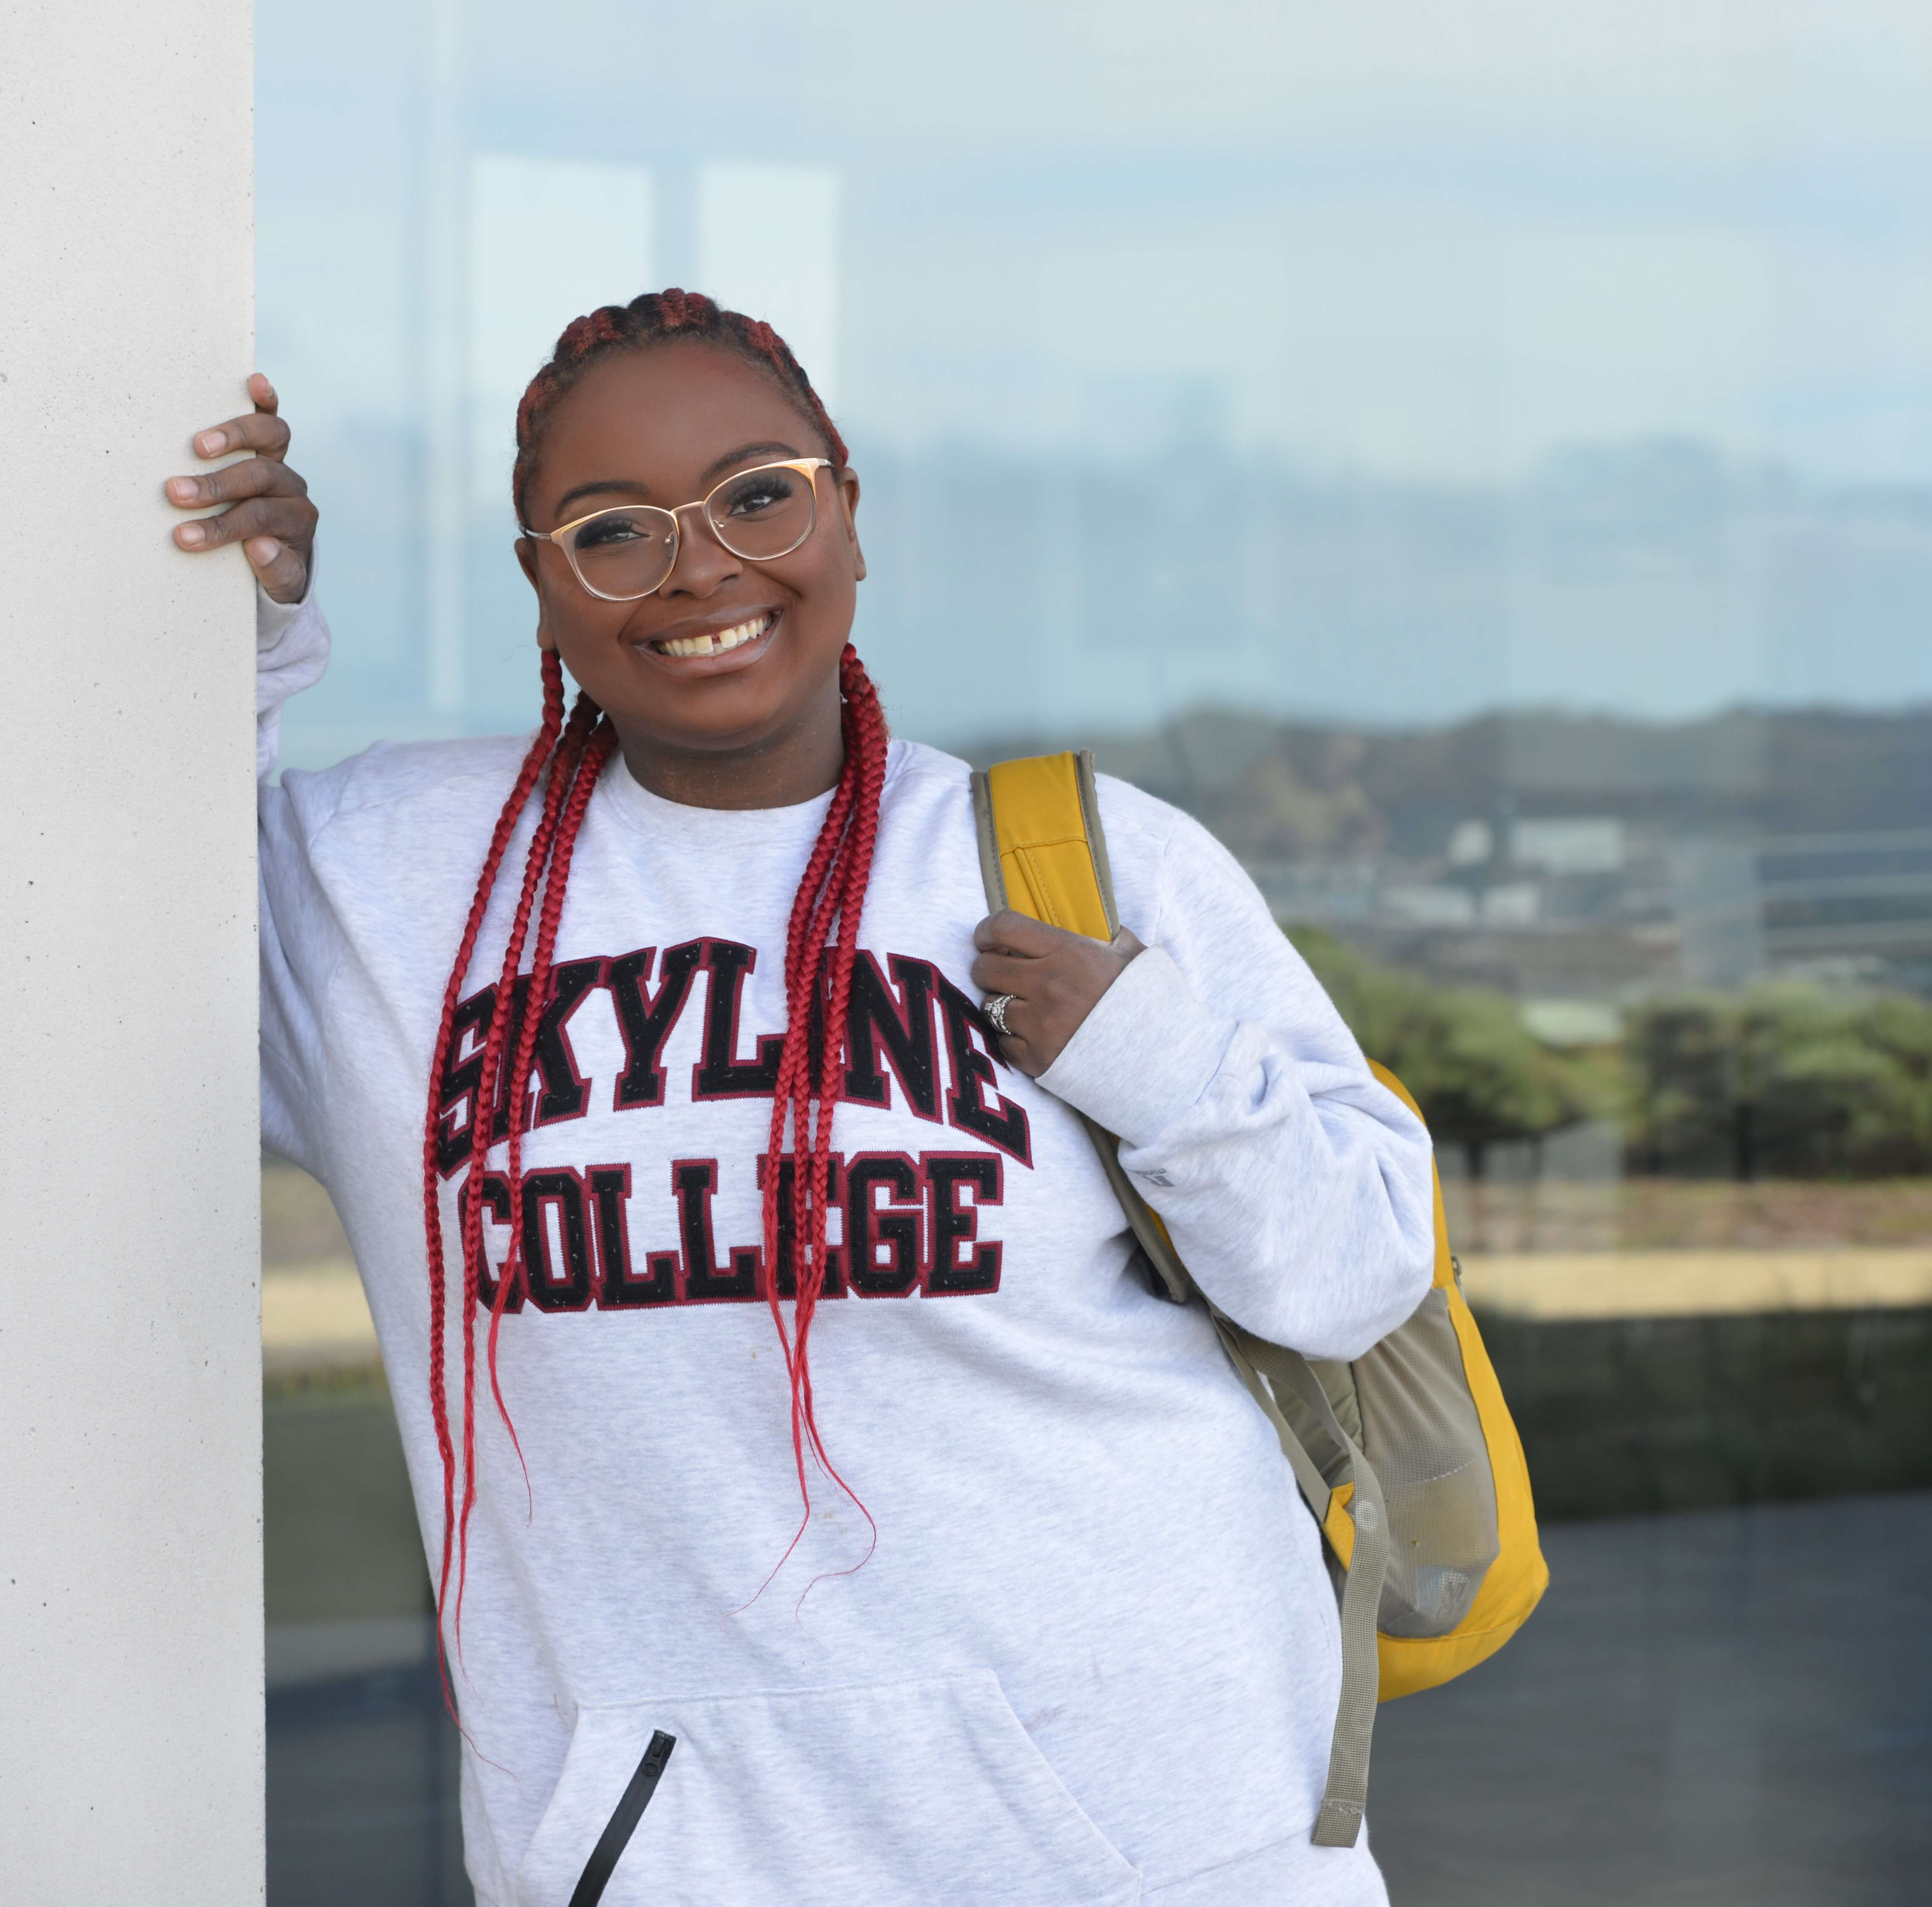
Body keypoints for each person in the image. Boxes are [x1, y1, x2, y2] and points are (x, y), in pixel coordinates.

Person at [170, 291, 1435, 1906]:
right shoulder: (383, 887)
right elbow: (84, 899)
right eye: (611, 532)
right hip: (670, 1858)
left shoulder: (1086, 862)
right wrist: (229, 623)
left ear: (845, 510)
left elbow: (1352, 1274)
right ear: (543, 591)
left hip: (1154, 1842)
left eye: (759, 495)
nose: (703, 570)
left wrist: (1158, 1058)